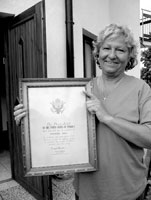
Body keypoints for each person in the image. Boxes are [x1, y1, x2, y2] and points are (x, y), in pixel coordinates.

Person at [14, 24, 151, 200]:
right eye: (106, 48)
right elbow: (61, 123)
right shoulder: (80, 89)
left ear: (129, 56)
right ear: (97, 53)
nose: (111, 55)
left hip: (128, 190)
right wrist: (30, 121)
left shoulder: (141, 88)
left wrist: (107, 118)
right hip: (86, 190)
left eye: (120, 50)